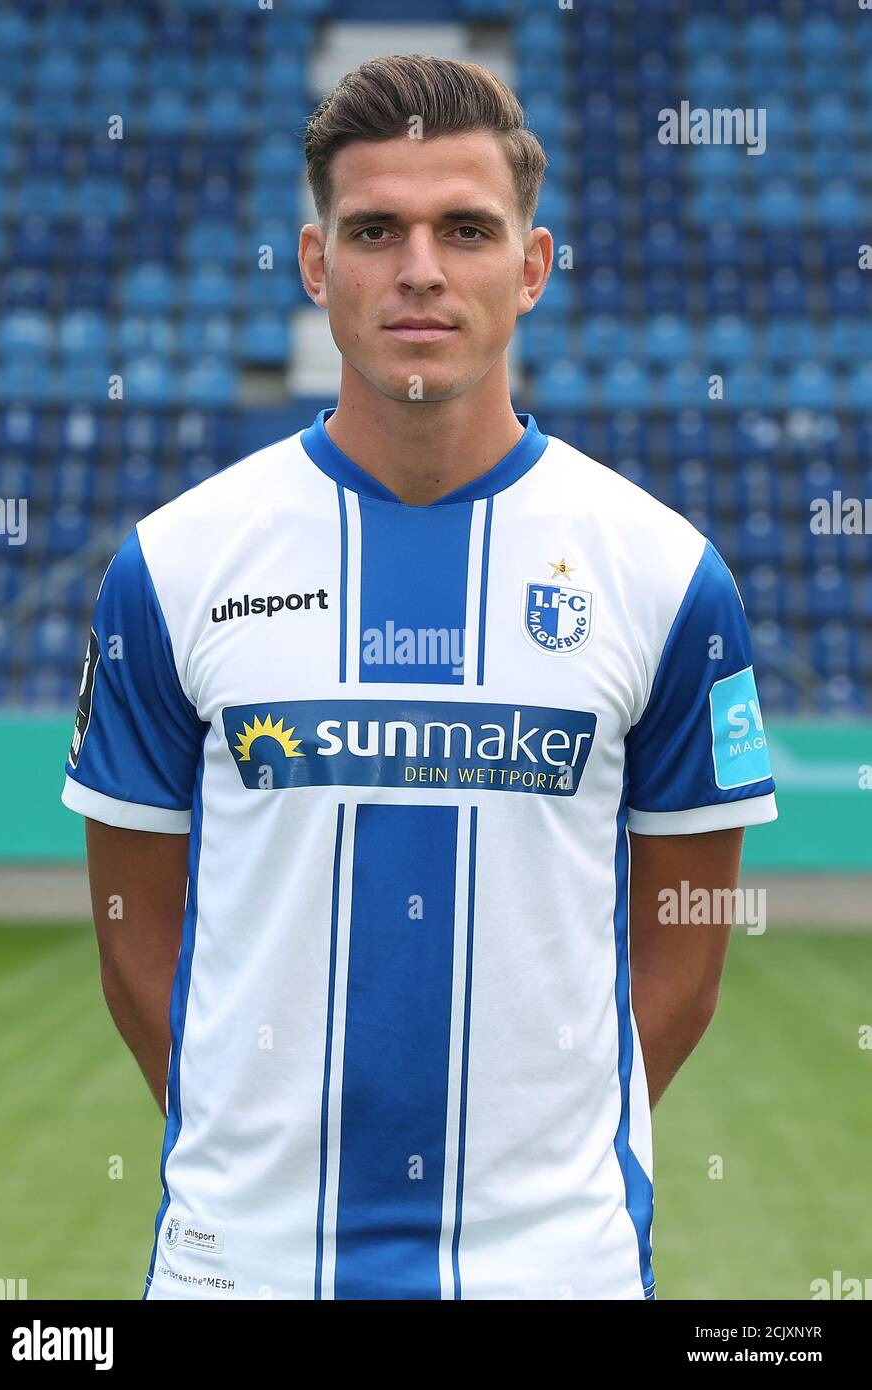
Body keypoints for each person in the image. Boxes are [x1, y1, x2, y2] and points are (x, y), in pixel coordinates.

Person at [61, 54, 777, 1301]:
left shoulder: (667, 575)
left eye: (465, 228)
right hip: (246, 1270)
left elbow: (689, 947)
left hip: (557, 1272)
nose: (421, 269)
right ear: (314, 263)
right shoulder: (172, 566)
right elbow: (133, 934)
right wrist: (253, 1157)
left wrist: (529, 1169)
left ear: (533, 266)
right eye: (375, 229)